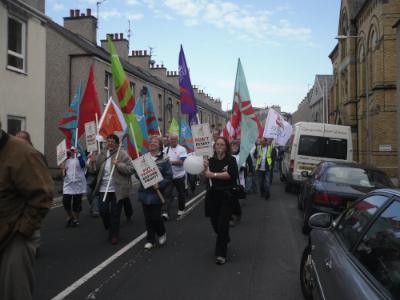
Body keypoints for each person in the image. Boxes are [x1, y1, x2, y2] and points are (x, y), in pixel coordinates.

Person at [0, 121, 53, 300]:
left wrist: (23, 230)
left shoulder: (22, 153)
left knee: (15, 293)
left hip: (13, 239)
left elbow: (42, 195)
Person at [88, 134, 134, 245]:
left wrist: (118, 164)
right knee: (103, 211)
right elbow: (94, 171)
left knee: (115, 213)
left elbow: (131, 169)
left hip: (117, 189)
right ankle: (109, 226)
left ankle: (114, 235)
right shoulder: (102, 154)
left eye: (112, 141)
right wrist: (92, 162)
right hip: (104, 188)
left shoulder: (122, 154)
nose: (110, 143)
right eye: (108, 141)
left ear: (117, 143)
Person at [203, 136, 239, 265]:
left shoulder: (231, 160)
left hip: (227, 196)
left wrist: (214, 174)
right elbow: (205, 177)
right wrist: (204, 167)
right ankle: (225, 238)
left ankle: (221, 254)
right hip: (213, 196)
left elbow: (230, 175)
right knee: (215, 224)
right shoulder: (211, 160)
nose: (219, 147)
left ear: (226, 147)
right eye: (217, 145)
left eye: (222, 145)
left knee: (223, 224)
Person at [137, 136, 172, 249]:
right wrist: (140, 174)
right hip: (145, 192)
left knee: (156, 217)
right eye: (151, 141)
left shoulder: (165, 159)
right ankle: (150, 239)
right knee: (148, 218)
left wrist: (160, 183)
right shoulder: (143, 157)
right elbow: (137, 174)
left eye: (155, 142)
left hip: (157, 194)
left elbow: (169, 176)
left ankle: (161, 233)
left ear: (160, 145)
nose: (152, 143)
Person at [163, 133, 187, 218]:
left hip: (179, 176)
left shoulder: (182, 149)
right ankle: (165, 212)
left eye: (174, 139)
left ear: (177, 140)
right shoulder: (165, 150)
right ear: (169, 140)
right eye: (171, 139)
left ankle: (181, 209)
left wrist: (170, 162)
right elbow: (163, 163)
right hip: (169, 177)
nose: (173, 141)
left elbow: (181, 162)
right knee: (167, 194)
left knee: (181, 194)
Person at [61, 147, 86, 227]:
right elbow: (63, 174)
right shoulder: (66, 161)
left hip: (78, 184)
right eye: (70, 151)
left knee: (77, 202)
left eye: (73, 150)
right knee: (65, 201)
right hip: (68, 184)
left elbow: (83, 165)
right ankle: (70, 215)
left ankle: (76, 219)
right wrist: (62, 169)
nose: (71, 152)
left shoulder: (79, 159)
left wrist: (78, 154)